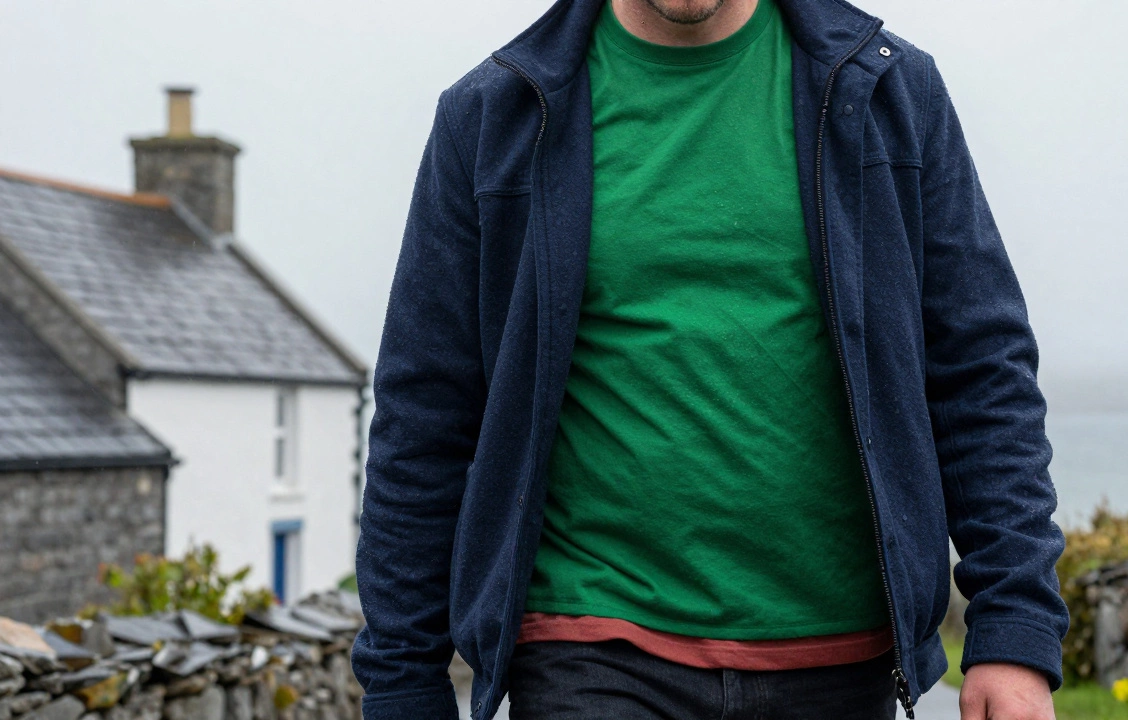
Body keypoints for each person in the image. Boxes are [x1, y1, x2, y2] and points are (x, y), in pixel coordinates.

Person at [351, 0, 1070, 717]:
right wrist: (401, 682)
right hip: (589, 646)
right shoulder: (494, 115)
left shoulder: (889, 92)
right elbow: (424, 420)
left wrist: (1015, 629)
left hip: (840, 658)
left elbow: (981, 373)